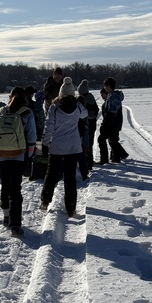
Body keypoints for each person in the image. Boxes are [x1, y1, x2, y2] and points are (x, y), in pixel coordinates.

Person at [40, 77, 88, 217]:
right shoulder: (78, 107)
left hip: (57, 147)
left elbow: (48, 128)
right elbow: (85, 114)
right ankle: (71, 207)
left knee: (51, 173)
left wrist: (44, 143)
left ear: (60, 94)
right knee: (70, 177)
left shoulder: (54, 108)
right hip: (73, 148)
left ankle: (45, 199)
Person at [0, 87, 37, 236]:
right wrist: (30, 154)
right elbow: (31, 136)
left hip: (1, 155)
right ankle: (15, 224)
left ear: (10, 96)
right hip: (19, 155)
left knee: (5, 184)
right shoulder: (27, 113)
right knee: (15, 188)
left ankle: (6, 214)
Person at [99, 76, 129, 163]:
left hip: (113, 123)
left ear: (108, 86)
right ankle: (117, 157)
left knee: (103, 139)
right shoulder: (114, 95)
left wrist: (105, 124)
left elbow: (111, 113)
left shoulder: (112, 97)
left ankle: (106, 159)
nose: (105, 88)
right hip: (116, 122)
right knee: (113, 140)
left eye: (105, 86)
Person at [78, 79, 99, 170]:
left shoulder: (82, 100)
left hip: (85, 124)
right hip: (92, 123)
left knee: (85, 144)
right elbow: (97, 109)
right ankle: (90, 161)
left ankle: (87, 162)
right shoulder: (91, 97)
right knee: (90, 142)